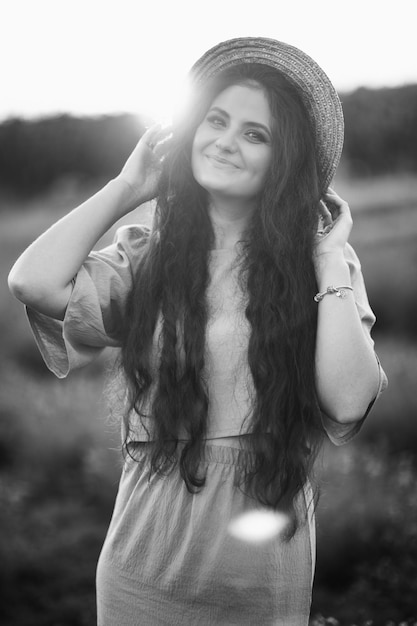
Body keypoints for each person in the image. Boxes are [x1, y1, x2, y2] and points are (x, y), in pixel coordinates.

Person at [8, 37, 387, 626]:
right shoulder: (145, 259)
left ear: (282, 158)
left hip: (262, 580)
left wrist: (331, 259)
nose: (225, 142)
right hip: (141, 565)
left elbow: (348, 400)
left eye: (254, 134)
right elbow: (32, 282)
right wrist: (128, 189)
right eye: (215, 120)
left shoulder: (325, 268)